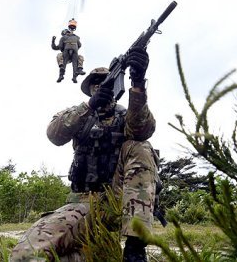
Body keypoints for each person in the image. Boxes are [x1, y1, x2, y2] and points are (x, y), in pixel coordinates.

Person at [11, 47, 160, 262]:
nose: (102, 86)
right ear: (90, 90)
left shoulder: (127, 117)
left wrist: (137, 83)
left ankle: (135, 248)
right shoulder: (80, 115)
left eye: (106, 80)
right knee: (25, 256)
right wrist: (89, 106)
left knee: (141, 146)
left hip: (118, 203)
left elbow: (143, 129)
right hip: (82, 204)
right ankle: (102, 252)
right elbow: (54, 135)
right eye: (96, 83)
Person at [51, 19, 86, 83]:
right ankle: (63, 72)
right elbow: (79, 45)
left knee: (79, 58)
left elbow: (58, 47)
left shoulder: (66, 38)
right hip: (69, 52)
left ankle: (78, 71)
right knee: (63, 58)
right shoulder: (74, 37)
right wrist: (53, 41)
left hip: (70, 52)